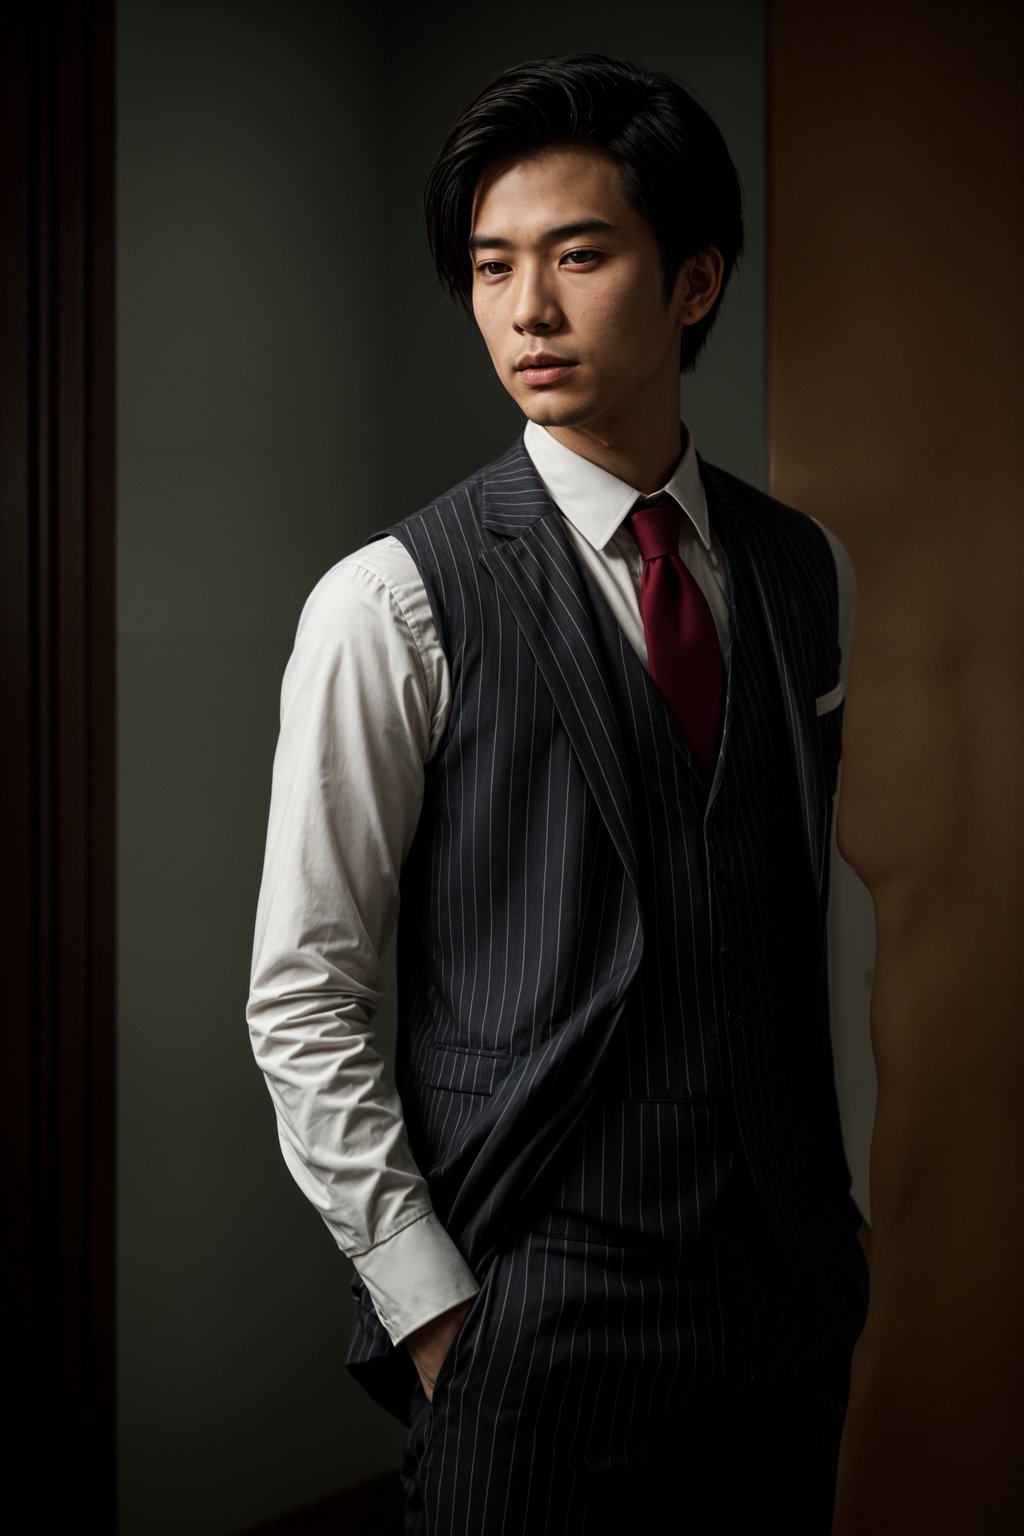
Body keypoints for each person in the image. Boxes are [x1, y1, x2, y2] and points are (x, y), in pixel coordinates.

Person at [246, 52, 869, 1535]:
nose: (526, 309)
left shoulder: (805, 570)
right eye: (490, 268)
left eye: (580, 256)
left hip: (784, 1304)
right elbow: (302, 992)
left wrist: (848, 1227)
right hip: (530, 1311)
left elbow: (809, 911)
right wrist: (435, 1311)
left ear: (694, 280)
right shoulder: (390, 601)